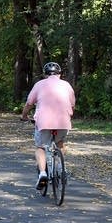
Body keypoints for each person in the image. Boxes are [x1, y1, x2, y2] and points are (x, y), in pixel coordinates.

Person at [21, 62, 76, 190]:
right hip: (63, 122)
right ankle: (61, 169)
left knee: (41, 147)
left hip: (43, 123)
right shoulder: (66, 85)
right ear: (60, 74)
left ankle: (43, 174)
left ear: (45, 74)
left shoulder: (39, 84)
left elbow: (29, 103)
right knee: (60, 142)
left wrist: (24, 116)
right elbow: (72, 104)